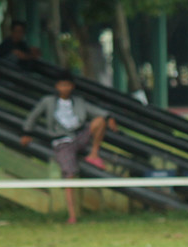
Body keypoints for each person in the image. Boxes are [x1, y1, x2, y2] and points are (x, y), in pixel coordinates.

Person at [20, 70, 117, 224]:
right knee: (69, 175)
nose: (65, 88)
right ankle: (72, 215)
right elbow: (33, 116)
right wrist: (27, 132)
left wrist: (108, 117)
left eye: (67, 85)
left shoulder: (78, 102)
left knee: (99, 121)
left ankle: (93, 154)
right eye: (62, 85)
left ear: (72, 86)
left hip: (78, 136)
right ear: (57, 86)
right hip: (62, 141)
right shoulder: (48, 101)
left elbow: (95, 112)